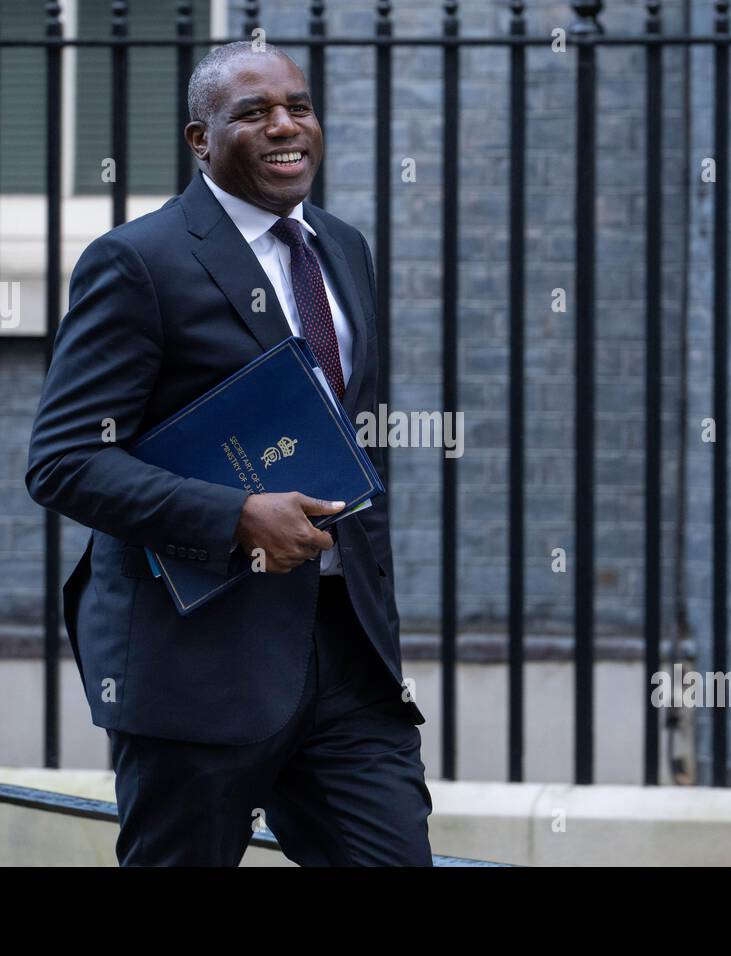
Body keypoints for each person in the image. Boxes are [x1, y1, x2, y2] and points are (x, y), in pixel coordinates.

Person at [25, 41, 432, 866]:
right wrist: (235, 517)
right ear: (200, 139)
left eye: (300, 106)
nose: (286, 126)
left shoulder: (342, 247)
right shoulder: (139, 261)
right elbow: (63, 459)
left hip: (345, 655)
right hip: (199, 663)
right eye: (253, 112)